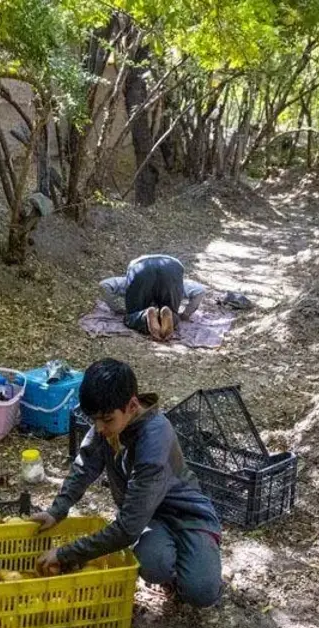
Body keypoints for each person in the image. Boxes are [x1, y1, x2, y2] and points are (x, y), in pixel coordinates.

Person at [30, 359, 223, 608]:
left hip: (187, 516)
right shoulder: (109, 424)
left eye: (106, 420)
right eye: (94, 420)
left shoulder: (154, 438)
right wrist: (57, 510)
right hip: (150, 518)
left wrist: (66, 554)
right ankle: (172, 567)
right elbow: (85, 465)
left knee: (201, 593)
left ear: (132, 405)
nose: (99, 428)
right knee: (154, 566)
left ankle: (198, 559)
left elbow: (127, 528)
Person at [98, 255, 206, 340]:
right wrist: (185, 315)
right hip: (172, 268)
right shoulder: (183, 284)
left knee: (131, 317)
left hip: (140, 269)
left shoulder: (126, 282)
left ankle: (145, 315)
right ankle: (171, 316)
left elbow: (104, 285)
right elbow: (200, 291)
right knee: (174, 314)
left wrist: (116, 309)